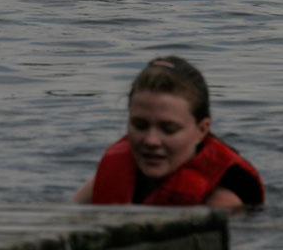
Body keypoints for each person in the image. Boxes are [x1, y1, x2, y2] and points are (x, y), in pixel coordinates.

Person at [73, 56, 265, 209]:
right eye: (140, 125)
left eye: (169, 129)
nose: (151, 141)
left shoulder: (223, 200)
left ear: (202, 130)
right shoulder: (115, 172)